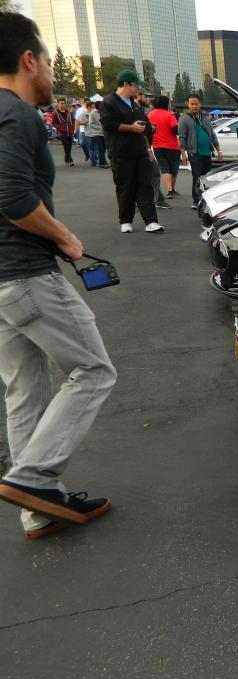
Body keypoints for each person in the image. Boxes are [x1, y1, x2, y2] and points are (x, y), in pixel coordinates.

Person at [0, 11, 117, 537]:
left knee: (24, 390)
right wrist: (65, 237)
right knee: (94, 370)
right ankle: (34, 478)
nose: (51, 74)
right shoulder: (18, 113)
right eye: (48, 63)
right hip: (24, 275)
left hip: (3, 280)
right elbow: (12, 198)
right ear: (29, 60)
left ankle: (38, 506)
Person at [98, 69, 164, 232]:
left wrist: (148, 147)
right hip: (120, 152)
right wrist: (131, 128)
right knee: (125, 186)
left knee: (145, 185)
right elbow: (108, 124)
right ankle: (125, 221)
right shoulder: (109, 102)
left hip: (140, 152)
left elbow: (144, 127)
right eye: (135, 85)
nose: (137, 89)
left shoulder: (135, 104)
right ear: (126, 84)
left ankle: (150, 221)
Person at [177, 92, 222, 210]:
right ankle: (196, 200)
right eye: (192, 104)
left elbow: (212, 135)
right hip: (194, 152)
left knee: (206, 177)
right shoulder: (184, 119)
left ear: (200, 104)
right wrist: (183, 154)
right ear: (188, 104)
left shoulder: (206, 118)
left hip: (207, 152)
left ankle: (205, 199)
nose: (194, 106)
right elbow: (182, 137)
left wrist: (219, 150)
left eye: (196, 104)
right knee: (196, 177)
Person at [147, 94, 180, 198]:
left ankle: (169, 190)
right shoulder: (170, 115)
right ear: (166, 104)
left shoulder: (150, 115)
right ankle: (172, 189)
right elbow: (176, 130)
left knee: (164, 168)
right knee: (173, 168)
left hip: (157, 146)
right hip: (172, 146)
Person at [50, 94, 75, 164]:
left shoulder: (68, 112)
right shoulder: (56, 113)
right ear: (58, 104)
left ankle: (66, 159)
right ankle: (70, 161)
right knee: (66, 147)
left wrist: (73, 129)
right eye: (61, 103)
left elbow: (73, 121)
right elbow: (53, 123)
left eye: (64, 103)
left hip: (70, 132)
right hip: (62, 133)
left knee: (69, 147)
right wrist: (59, 128)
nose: (62, 105)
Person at [83, 97, 107, 167]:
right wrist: (100, 127)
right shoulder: (93, 113)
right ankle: (102, 163)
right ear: (97, 107)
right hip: (97, 133)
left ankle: (103, 161)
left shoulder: (103, 112)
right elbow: (91, 124)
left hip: (104, 133)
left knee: (104, 148)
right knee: (100, 148)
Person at [73, 97, 89, 162]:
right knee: (82, 142)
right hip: (82, 127)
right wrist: (75, 129)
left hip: (90, 127)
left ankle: (93, 155)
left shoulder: (90, 109)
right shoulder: (79, 110)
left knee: (90, 142)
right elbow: (76, 120)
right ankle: (87, 154)